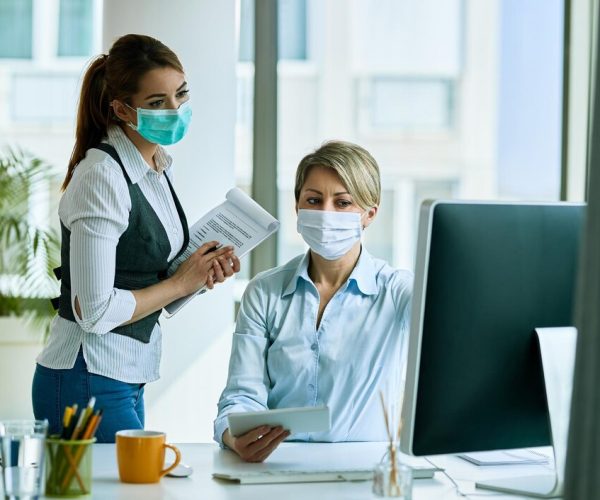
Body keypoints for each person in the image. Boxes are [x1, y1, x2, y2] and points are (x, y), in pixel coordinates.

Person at [32, 34, 240, 443]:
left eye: (181, 95)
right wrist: (179, 283)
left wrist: (198, 275)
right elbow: (93, 311)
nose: (176, 110)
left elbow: (147, 277)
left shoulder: (156, 164)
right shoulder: (102, 177)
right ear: (122, 109)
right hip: (86, 375)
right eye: (158, 102)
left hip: (126, 373)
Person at [214, 140, 412, 462]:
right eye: (314, 200)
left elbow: (449, 324)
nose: (325, 213)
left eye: (343, 202)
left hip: (362, 473)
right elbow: (240, 396)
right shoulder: (265, 291)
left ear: (369, 214)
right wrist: (234, 438)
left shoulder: (397, 291)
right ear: (297, 207)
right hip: (277, 467)